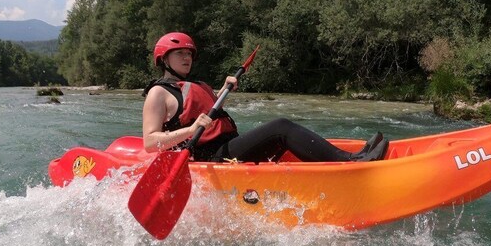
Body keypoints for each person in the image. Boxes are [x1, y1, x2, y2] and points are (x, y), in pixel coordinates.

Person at [142, 32, 389, 163]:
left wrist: (221, 92)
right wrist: (191, 130)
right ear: (164, 59)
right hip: (209, 156)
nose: (187, 58)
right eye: (179, 54)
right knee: (280, 127)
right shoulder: (158, 93)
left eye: (189, 53)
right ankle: (348, 161)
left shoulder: (197, 84)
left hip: (227, 146)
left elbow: (209, 113)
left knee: (280, 133)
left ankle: (346, 156)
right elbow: (150, 143)